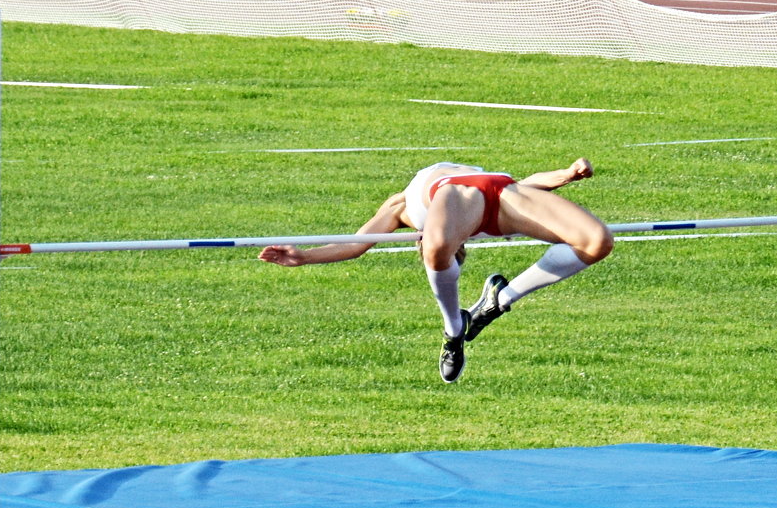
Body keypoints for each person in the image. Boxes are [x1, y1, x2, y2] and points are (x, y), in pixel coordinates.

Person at [259, 158, 613, 383]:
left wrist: (567, 174)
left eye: (453, 250)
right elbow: (356, 246)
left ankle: (497, 301)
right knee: (440, 243)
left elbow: (532, 182)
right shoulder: (419, 211)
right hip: (495, 198)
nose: (455, 247)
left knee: (598, 242)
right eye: (456, 252)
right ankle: (454, 328)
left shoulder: (407, 209)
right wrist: (305, 257)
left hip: (504, 193)